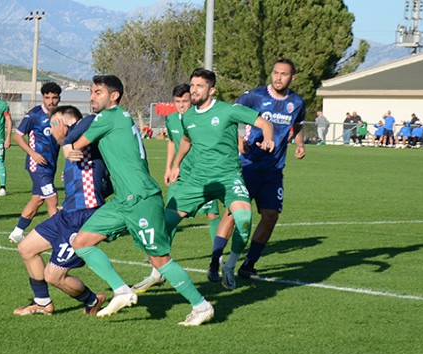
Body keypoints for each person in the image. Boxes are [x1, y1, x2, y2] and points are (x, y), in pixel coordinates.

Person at [64, 75, 214, 326]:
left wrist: (68, 146)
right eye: (91, 92)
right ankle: (122, 291)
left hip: (141, 199)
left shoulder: (109, 117)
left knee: (159, 260)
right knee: (82, 241)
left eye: (98, 92)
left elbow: (77, 146)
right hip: (123, 201)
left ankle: (201, 306)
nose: (92, 97)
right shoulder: (119, 117)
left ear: (114, 96)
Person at [162, 67, 274, 292]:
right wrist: (175, 165)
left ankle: (230, 265)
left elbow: (264, 123)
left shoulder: (228, 110)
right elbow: (185, 140)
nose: (193, 90)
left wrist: (268, 138)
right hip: (197, 180)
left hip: (228, 177)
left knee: (243, 217)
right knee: (163, 224)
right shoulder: (189, 116)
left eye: (199, 86)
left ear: (211, 90)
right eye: (192, 85)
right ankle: (158, 271)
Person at [13, 106, 111, 316]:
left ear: (67, 123)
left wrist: (67, 137)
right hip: (67, 214)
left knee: (53, 276)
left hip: (83, 218)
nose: (51, 128)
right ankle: (42, 303)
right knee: (26, 249)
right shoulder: (72, 148)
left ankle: (92, 300)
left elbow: (92, 119)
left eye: (54, 123)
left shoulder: (85, 140)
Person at [131, 83, 223, 293]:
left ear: (192, 100)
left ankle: (216, 261)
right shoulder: (172, 119)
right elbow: (172, 142)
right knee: (168, 219)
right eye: (177, 101)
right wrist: (170, 167)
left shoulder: (201, 117)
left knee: (211, 215)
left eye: (185, 101)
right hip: (179, 177)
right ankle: (158, 270)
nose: (181, 105)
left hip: (202, 178)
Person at [231, 59, 306, 285]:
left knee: (271, 216)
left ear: (293, 77)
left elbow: (299, 125)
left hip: (274, 169)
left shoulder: (297, 102)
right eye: (275, 72)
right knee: (234, 215)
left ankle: (248, 264)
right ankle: (219, 259)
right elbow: (229, 117)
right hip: (249, 164)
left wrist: (300, 144)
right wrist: (237, 141)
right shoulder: (254, 96)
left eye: (284, 74)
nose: (278, 77)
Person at [9, 82, 62, 243]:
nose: (51, 101)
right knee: (52, 198)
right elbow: (18, 136)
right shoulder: (34, 115)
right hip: (37, 165)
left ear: (59, 98)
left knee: (38, 199)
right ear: (43, 98)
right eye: (47, 97)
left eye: (54, 97)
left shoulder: (61, 115)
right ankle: (57, 236)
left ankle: (17, 232)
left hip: (51, 164)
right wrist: (33, 154)